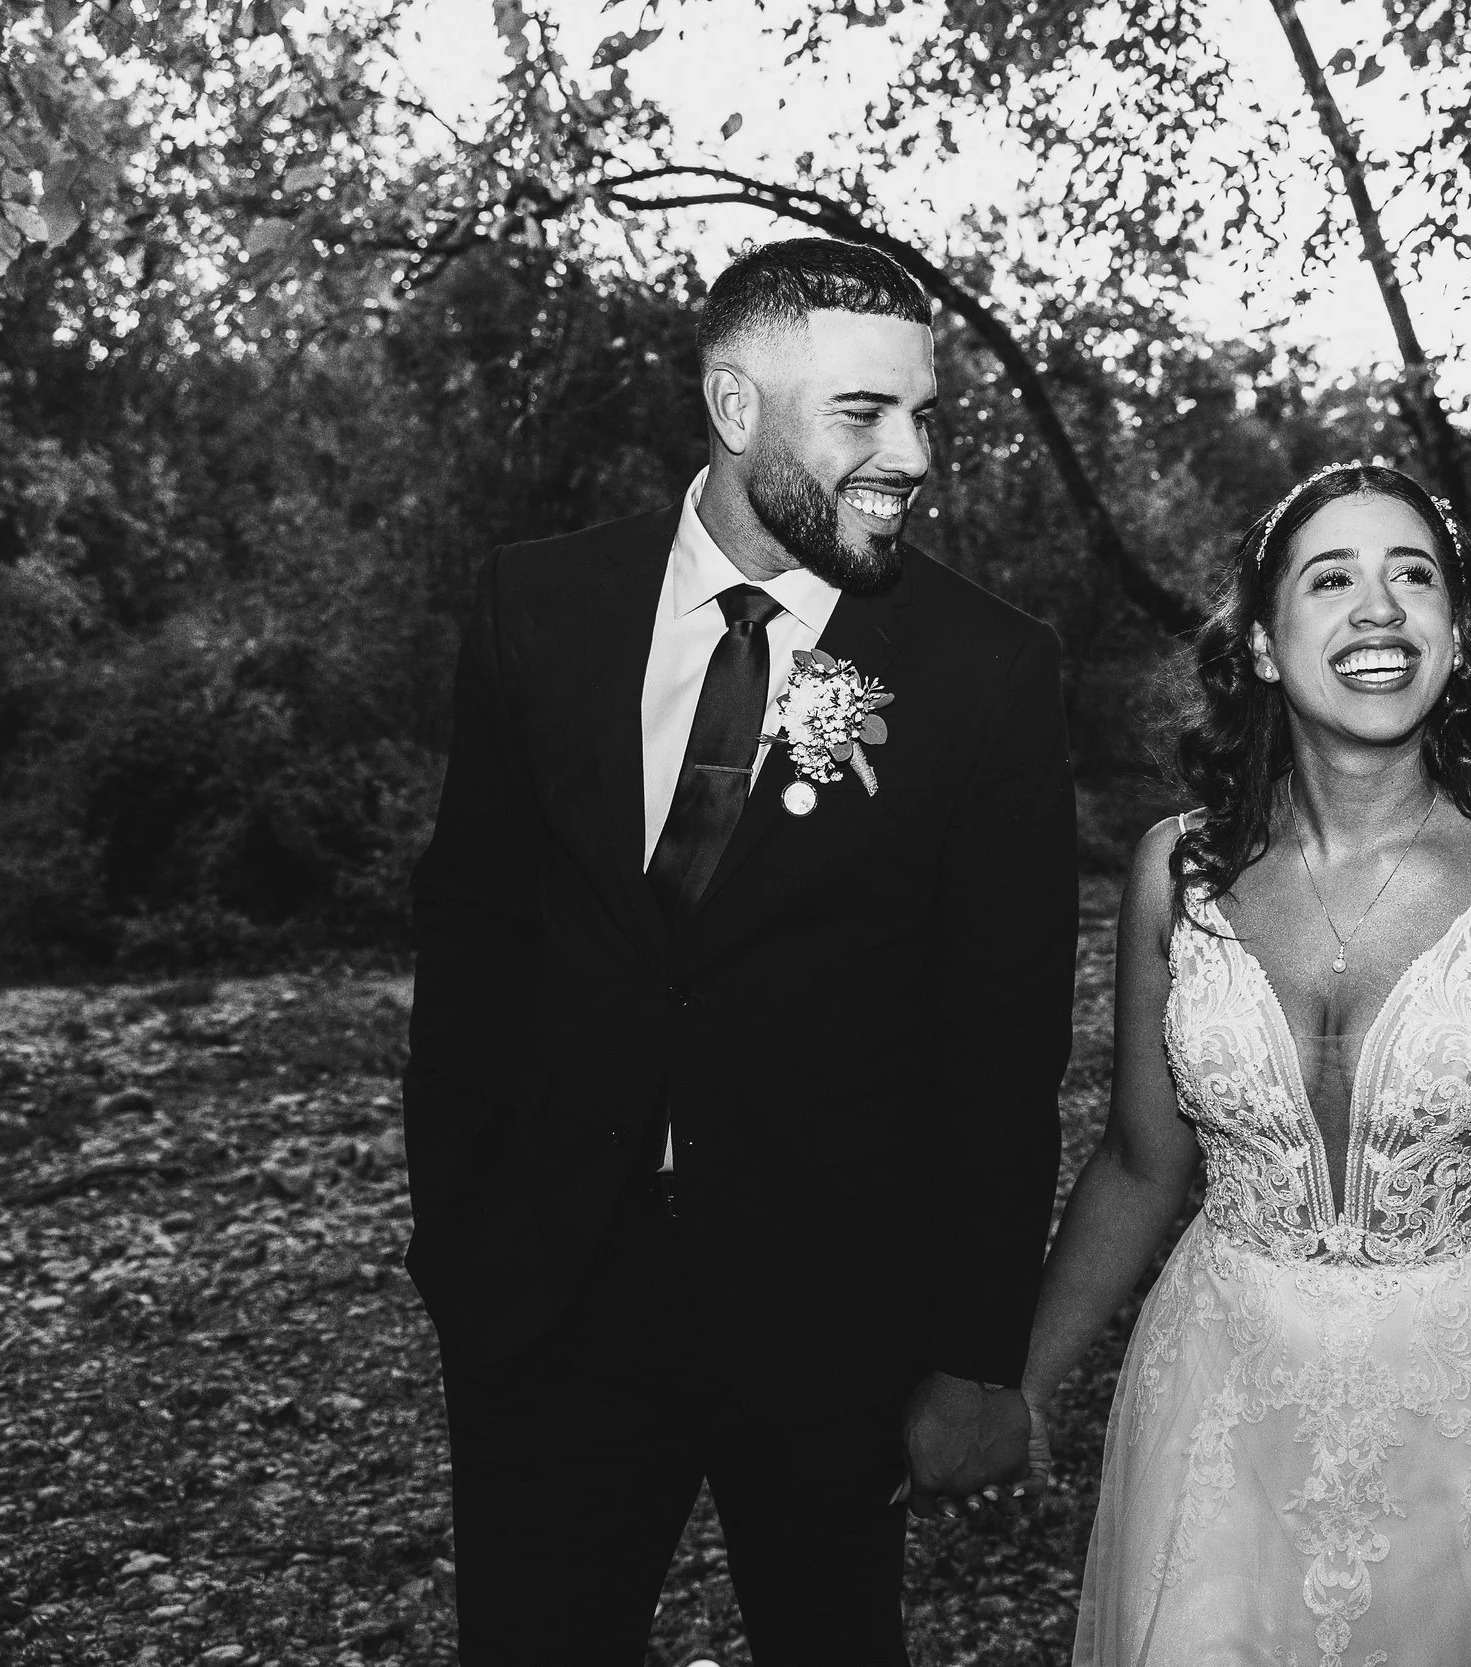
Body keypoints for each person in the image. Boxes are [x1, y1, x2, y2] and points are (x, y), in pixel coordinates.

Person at [402, 236, 1076, 1666]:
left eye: (924, 414)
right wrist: (460, 1232)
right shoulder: (540, 604)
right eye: (862, 415)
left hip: (833, 1311)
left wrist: (973, 1352)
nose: (911, 456)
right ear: (733, 405)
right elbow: (474, 932)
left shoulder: (987, 672)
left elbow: (1002, 1038)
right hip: (552, 1288)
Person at [1022, 464, 1471, 1665]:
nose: (1378, 607)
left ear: (1456, 642)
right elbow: (1143, 1161)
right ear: (1260, 644)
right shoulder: (1175, 872)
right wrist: (1023, 1380)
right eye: (1331, 577)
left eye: (1414, 577)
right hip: (1222, 1400)